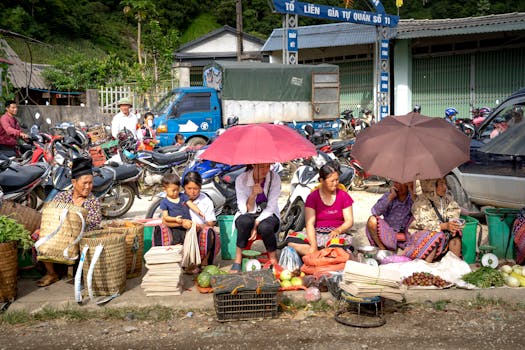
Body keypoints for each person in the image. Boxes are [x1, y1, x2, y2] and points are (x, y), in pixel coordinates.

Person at [36, 157, 102, 287]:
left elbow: (94, 226)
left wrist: (76, 230)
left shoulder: (93, 201)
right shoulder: (63, 196)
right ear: (74, 182)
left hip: (80, 238)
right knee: (39, 237)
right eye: (85, 183)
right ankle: (51, 273)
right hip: (60, 236)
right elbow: (52, 214)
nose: (88, 187)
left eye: (91, 183)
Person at [287, 161, 354, 256]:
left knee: (337, 250)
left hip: (336, 233)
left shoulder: (344, 196)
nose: (335, 183)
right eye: (332, 181)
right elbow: (310, 223)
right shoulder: (312, 197)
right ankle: (322, 254)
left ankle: (318, 255)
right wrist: (313, 245)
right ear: (321, 180)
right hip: (316, 233)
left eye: (337, 180)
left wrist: (338, 230)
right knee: (291, 241)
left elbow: (349, 221)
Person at [231, 163, 281, 272]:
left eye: (268, 166)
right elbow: (244, 209)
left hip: (268, 215)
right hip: (248, 215)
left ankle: (273, 261)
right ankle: (237, 261)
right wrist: (253, 194)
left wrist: (256, 223)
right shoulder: (241, 179)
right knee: (244, 221)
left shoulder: (274, 177)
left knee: (266, 227)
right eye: (262, 166)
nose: (266, 170)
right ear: (254, 165)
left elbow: (271, 207)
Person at [402, 178, 463, 263]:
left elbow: (454, 211)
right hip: (420, 234)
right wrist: (444, 226)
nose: (444, 187)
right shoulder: (421, 202)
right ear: (431, 186)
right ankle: (427, 265)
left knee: (456, 232)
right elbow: (424, 223)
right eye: (441, 184)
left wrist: (453, 223)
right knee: (434, 235)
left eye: (445, 184)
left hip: (442, 232)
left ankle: (455, 263)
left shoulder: (447, 199)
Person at [182, 171, 220, 266]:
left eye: (196, 188)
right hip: (181, 230)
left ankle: (204, 261)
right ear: (184, 188)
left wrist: (198, 226)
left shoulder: (206, 201)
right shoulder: (178, 198)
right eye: (189, 188)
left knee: (209, 232)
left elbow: (211, 223)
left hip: (199, 231)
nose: (192, 192)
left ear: (200, 188)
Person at [365, 182, 414, 251]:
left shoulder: (411, 197)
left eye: (400, 184)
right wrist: (390, 197)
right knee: (372, 220)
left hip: (405, 232)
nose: (398, 186)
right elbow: (375, 211)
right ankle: (381, 247)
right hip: (388, 230)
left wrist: (412, 191)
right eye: (396, 183)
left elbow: (418, 209)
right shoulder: (389, 195)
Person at [159, 173, 204, 245]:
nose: (176, 192)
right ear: (164, 189)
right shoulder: (164, 202)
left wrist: (199, 212)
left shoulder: (182, 196)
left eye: (177, 190)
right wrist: (175, 219)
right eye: (173, 190)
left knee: (190, 241)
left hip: (187, 223)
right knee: (178, 242)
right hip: (175, 227)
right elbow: (165, 217)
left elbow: (191, 204)